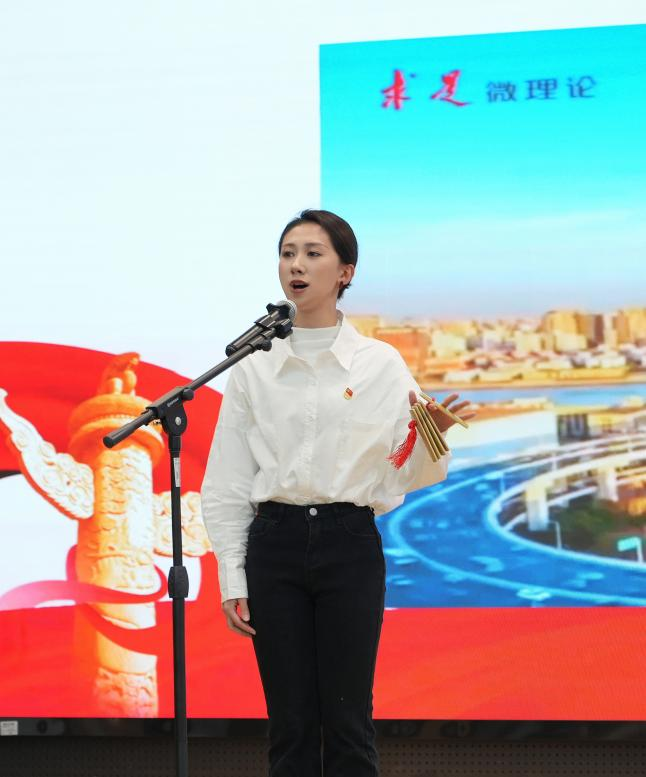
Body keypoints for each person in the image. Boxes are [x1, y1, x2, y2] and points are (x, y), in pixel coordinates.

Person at [200, 209, 475, 777]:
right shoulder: (253, 364)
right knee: (290, 726)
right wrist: (232, 575)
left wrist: (433, 434)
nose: (296, 266)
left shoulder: (380, 364)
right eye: (287, 253)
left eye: (312, 253)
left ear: (345, 271)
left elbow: (400, 475)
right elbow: (227, 480)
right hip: (273, 543)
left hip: (348, 541)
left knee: (349, 723)